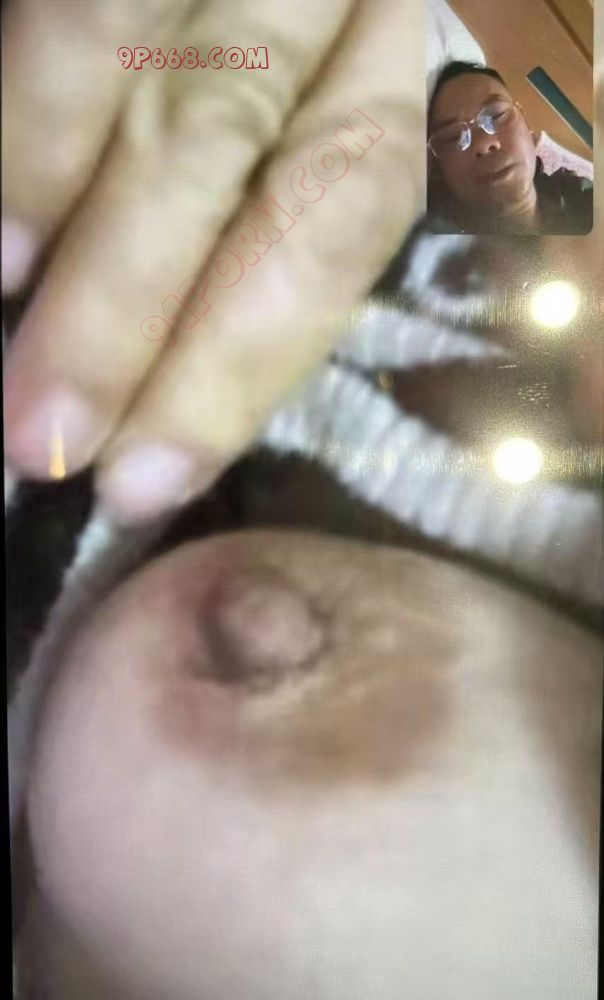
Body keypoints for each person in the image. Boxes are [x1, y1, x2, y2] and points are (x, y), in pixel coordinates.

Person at [427, 61, 594, 236]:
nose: (483, 143)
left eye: (495, 115)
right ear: (436, 166)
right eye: (454, 136)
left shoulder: (584, 200)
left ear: (525, 121)